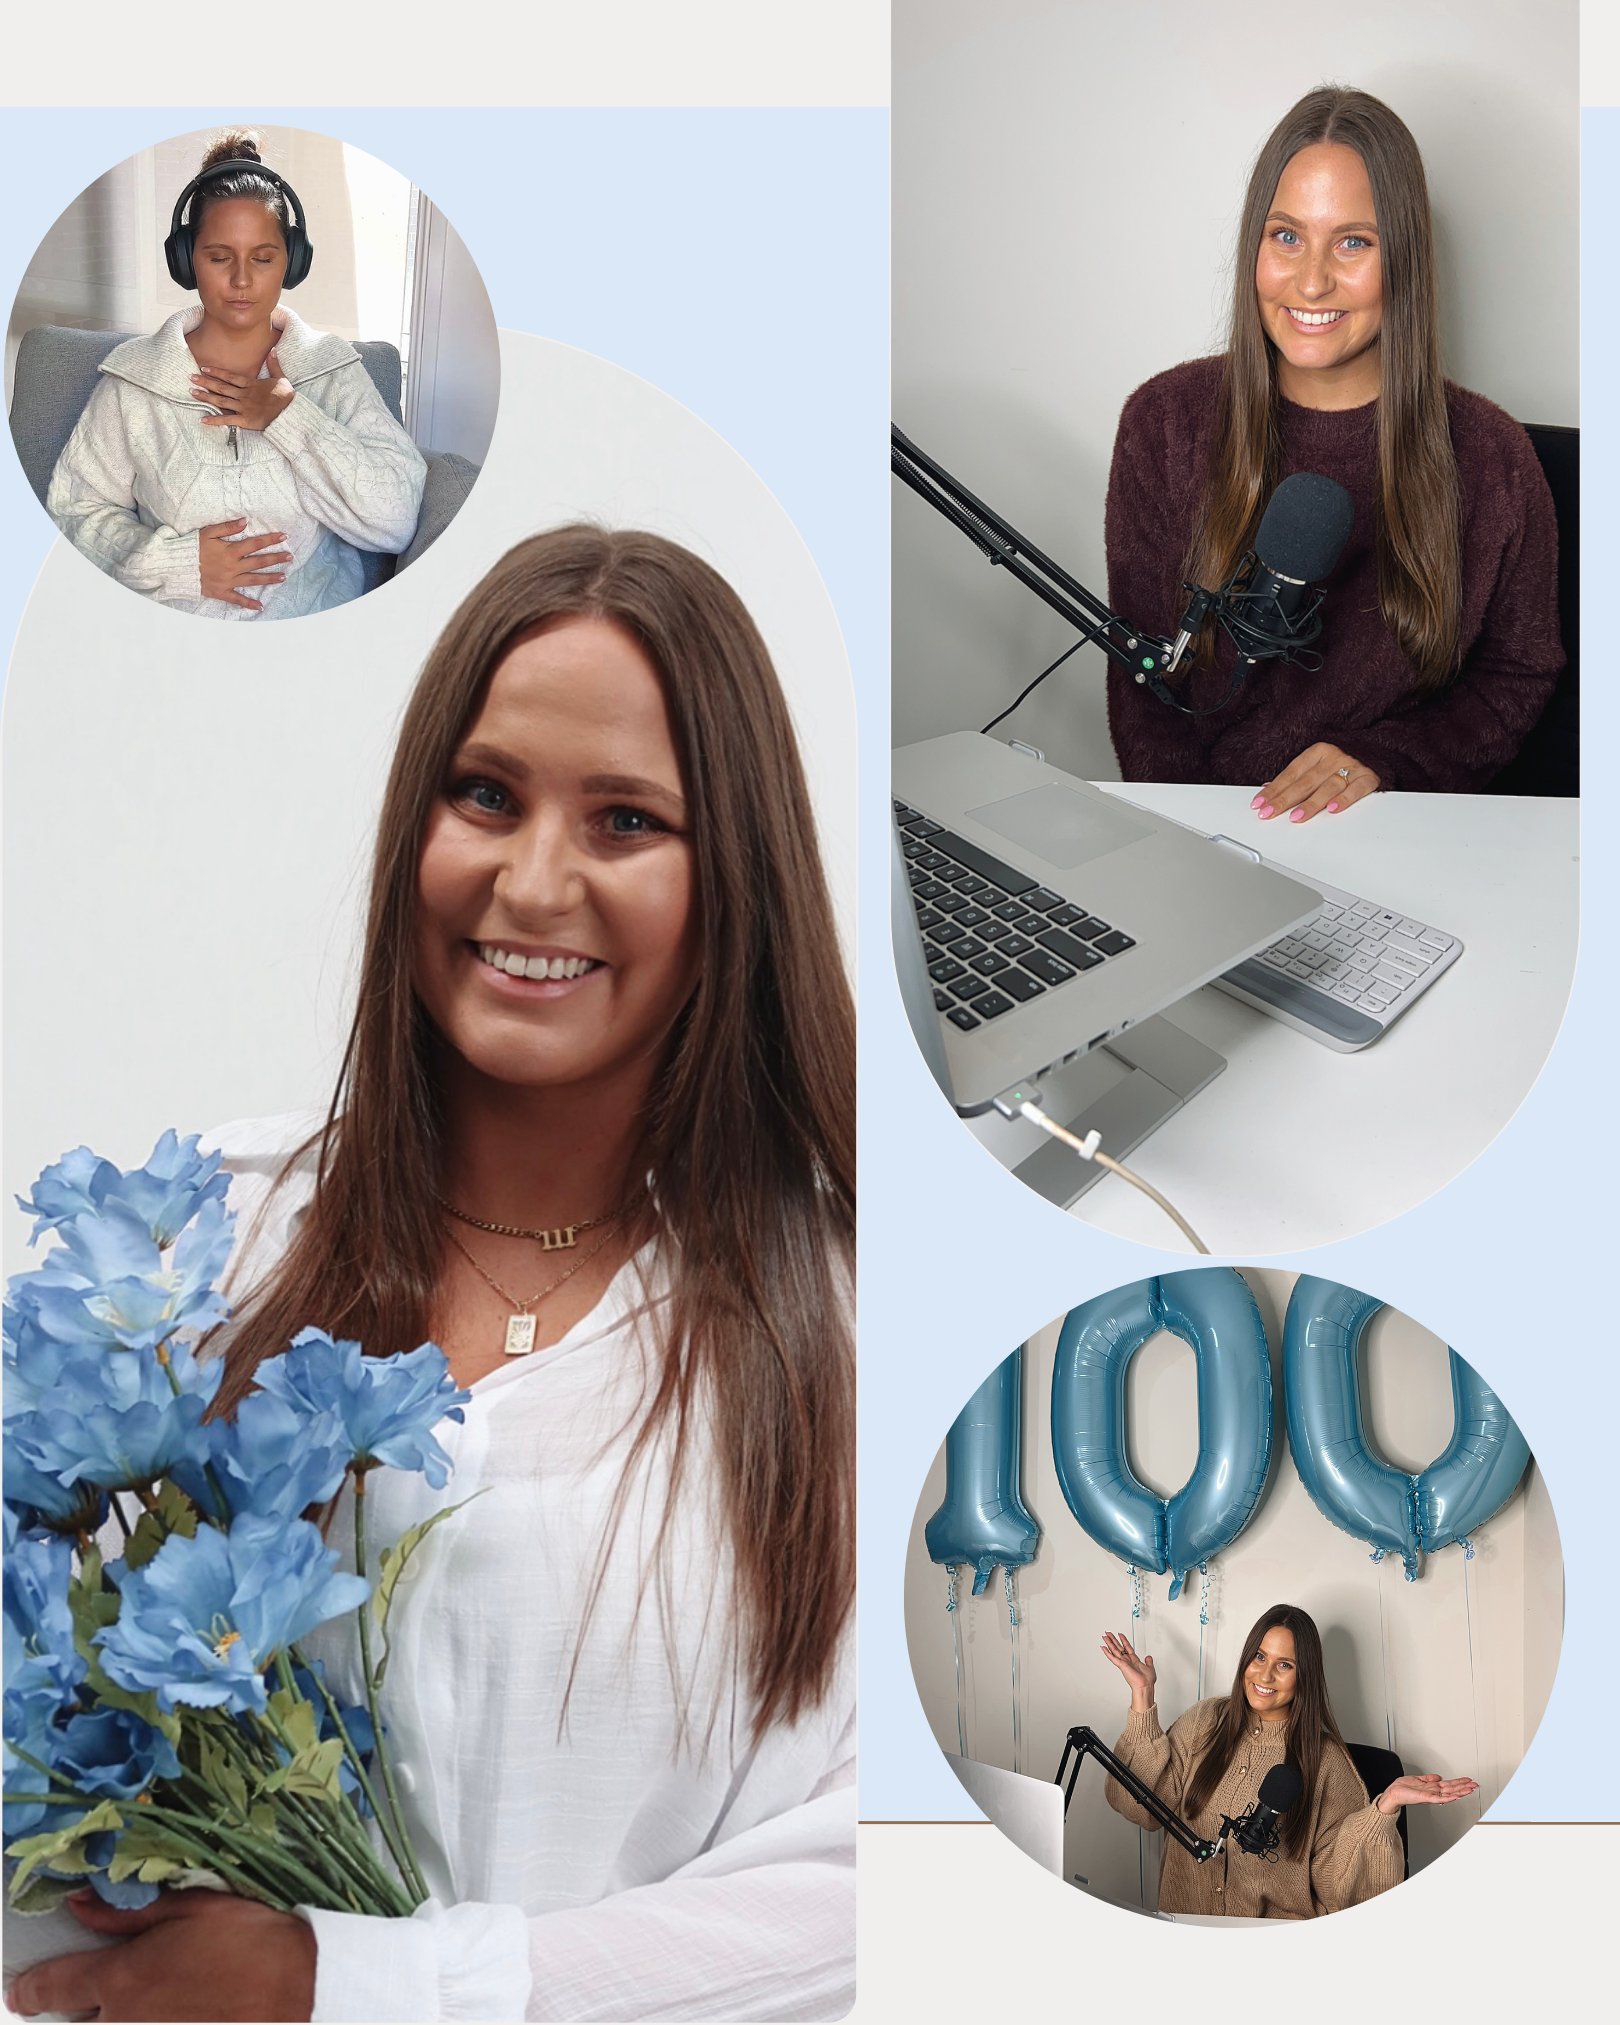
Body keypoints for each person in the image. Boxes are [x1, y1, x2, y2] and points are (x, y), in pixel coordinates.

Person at [8, 526, 856, 2023]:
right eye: (486, 796)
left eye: (626, 821)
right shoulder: (211, 1241)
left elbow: (866, 1893)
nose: (534, 882)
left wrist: (358, 1984)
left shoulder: (845, 1329)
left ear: (737, 875)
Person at [1103, 86, 1564, 818]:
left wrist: (1388, 763)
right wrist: (1193, 839)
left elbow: (1518, 672)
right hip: (1206, 840)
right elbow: (1145, 683)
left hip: (1394, 835)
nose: (1311, 280)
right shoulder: (1165, 423)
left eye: (1354, 241)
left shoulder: (1492, 458)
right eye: (1286, 235)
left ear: (1404, 258)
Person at [46, 130, 426, 620]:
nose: (242, 280)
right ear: (186, 262)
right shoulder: (133, 383)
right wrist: (179, 563)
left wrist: (290, 419)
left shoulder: (331, 372)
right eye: (219, 257)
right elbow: (74, 511)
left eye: (263, 259)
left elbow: (396, 520)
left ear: (292, 261)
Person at [1099, 1604, 1478, 1919]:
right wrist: (1143, 1697)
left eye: (1284, 1665)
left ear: (1304, 1676)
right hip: (1185, 1927)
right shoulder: (1204, 1722)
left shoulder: (1326, 1762)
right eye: (1260, 1657)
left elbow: (1339, 1888)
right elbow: (1140, 1808)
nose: (1264, 1675)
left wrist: (1384, 1807)